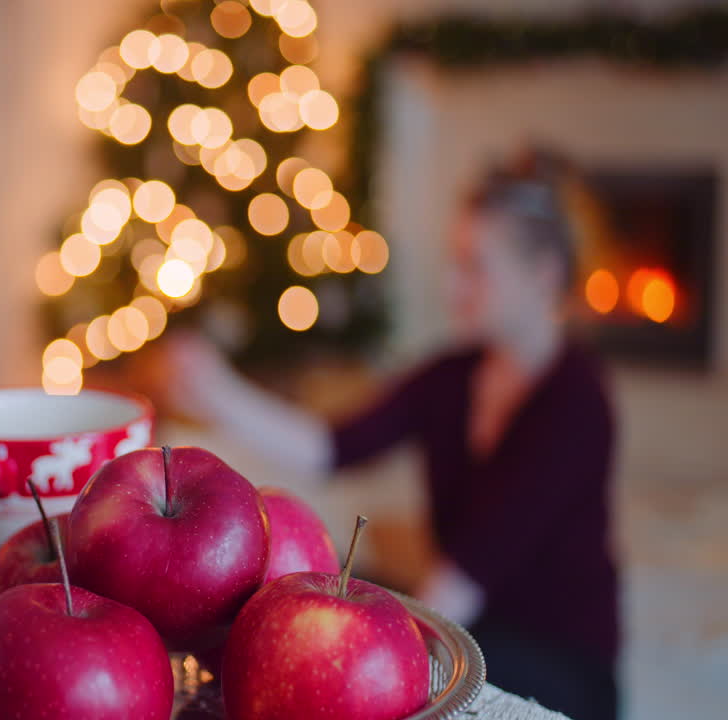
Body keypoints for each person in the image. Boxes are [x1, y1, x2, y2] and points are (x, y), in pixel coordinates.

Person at [162, 151, 620, 720]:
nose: (453, 286)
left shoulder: (577, 403)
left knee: (349, 637)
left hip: (556, 660)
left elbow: (462, 579)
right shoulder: (453, 376)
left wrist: (343, 651)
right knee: (302, 592)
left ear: (544, 274)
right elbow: (330, 449)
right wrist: (217, 391)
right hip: (466, 618)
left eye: (475, 267)